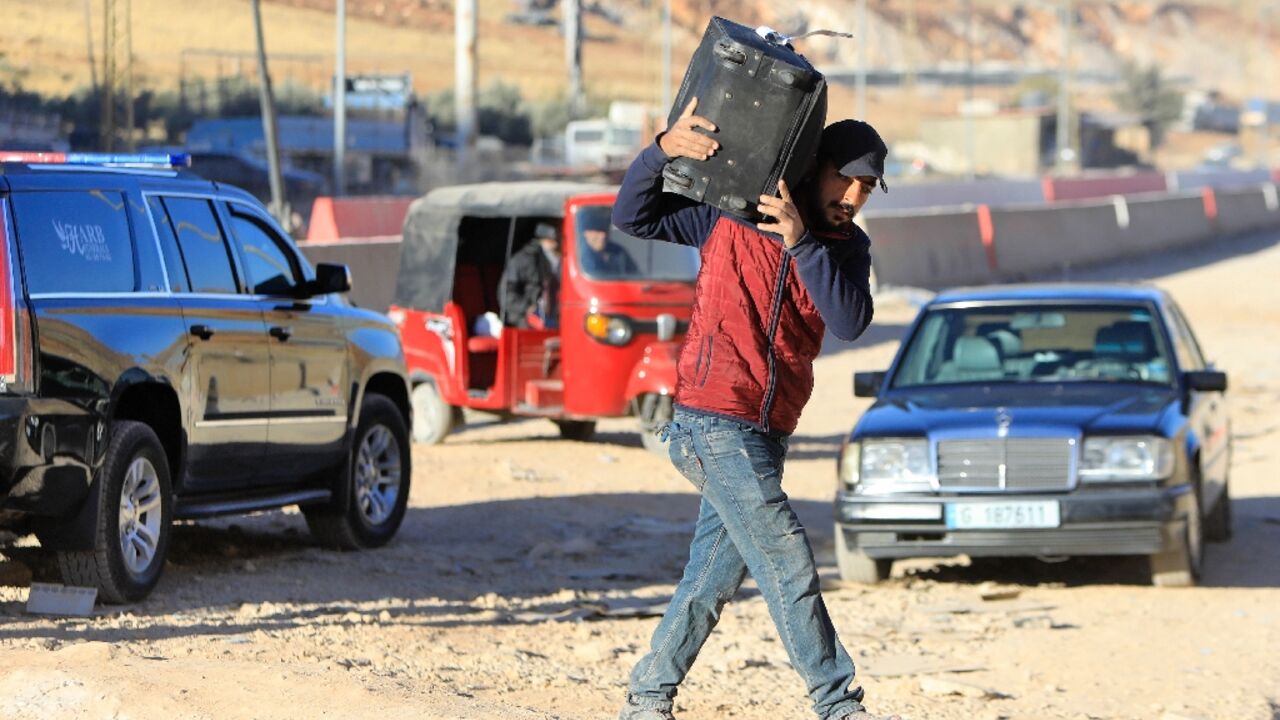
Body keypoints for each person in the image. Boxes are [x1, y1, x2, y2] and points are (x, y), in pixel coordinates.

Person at [611, 97, 895, 720]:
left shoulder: (845, 248)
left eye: (867, 187)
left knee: (711, 578)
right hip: (712, 419)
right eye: (844, 177)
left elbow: (849, 321)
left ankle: (648, 695)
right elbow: (633, 214)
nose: (853, 195)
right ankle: (837, 702)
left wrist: (801, 244)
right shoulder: (732, 216)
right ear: (813, 167)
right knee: (786, 554)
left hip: (768, 433)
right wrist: (661, 151)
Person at [500, 221, 561, 329]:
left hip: (554, 316)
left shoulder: (562, 260)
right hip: (525, 318)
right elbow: (506, 294)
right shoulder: (523, 260)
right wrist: (528, 308)